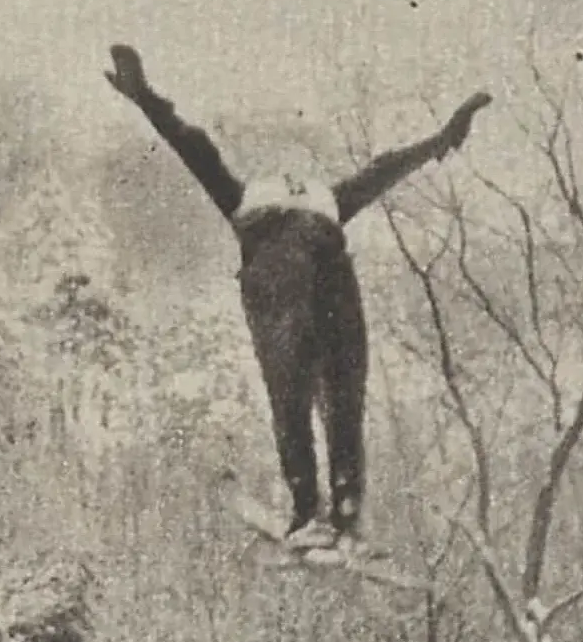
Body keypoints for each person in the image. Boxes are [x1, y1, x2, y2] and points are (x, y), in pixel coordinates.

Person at [103, 43, 491, 554]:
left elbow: (192, 146)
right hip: (323, 282)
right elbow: (384, 169)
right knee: (338, 393)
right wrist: (442, 139)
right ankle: (338, 510)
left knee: (294, 392)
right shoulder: (318, 202)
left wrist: (146, 98)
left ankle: (315, 509)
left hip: (284, 285)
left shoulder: (262, 201)